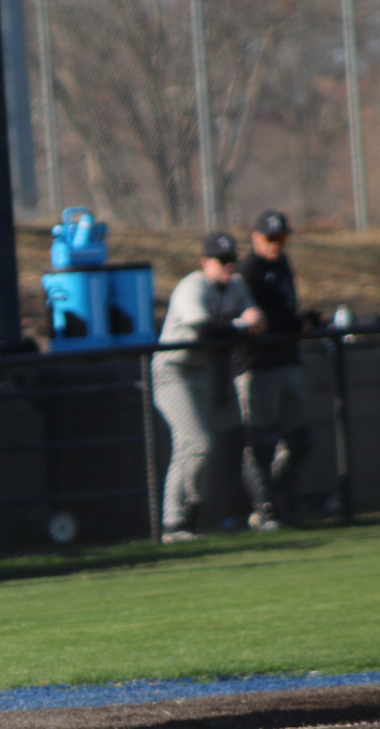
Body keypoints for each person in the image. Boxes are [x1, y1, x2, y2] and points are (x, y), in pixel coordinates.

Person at [153, 232, 266, 543]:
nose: (228, 266)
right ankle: (181, 517)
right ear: (205, 262)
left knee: (190, 447)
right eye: (221, 260)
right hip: (173, 370)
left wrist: (253, 319)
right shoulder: (193, 286)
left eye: (232, 260)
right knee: (199, 443)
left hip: (201, 371)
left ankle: (179, 524)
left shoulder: (237, 286)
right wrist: (243, 324)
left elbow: (258, 319)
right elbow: (204, 330)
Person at [235, 210, 318, 529]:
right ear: (256, 238)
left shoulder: (281, 264)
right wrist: (295, 323)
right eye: (271, 238)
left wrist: (305, 319)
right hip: (259, 364)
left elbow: (284, 310)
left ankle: (280, 498)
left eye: (281, 238)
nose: (276, 245)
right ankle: (264, 509)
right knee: (262, 441)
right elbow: (261, 319)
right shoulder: (249, 268)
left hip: (287, 360)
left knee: (301, 439)